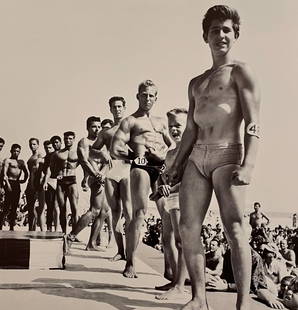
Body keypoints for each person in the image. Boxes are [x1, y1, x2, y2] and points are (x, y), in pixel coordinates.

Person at [167, 5, 261, 310]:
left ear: (235, 35)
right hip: (197, 156)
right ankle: (198, 299)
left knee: (234, 228)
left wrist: (248, 165)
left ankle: (243, 302)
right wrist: (176, 166)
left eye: (226, 30)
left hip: (228, 155)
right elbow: (190, 130)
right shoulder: (196, 82)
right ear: (205, 36)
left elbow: (254, 123)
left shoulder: (241, 72)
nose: (220, 35)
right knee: (188, 227)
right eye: (214, 30)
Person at [111, 79, 172, 278]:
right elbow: (115, 148)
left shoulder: (162, 122)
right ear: (137, 96)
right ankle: (130, 263)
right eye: (144, 94)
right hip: (141, 167)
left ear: (156, 98)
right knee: (139, 214)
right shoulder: (131, 121)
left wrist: (165, 158)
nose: (148, 98)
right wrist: (134, 156)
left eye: (151, 95)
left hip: (160, 169)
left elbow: (173, 146)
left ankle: (169, 268)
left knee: (168, 216)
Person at [154, 108, 189, 300]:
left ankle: (180, 285)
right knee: (168, 240)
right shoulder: (170, 153)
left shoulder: (191, 151)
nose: (174, 130)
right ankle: (176, 279)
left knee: (181, 241)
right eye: (171, 126)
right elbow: (164, 179)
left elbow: (193, 180)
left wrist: (172, 187)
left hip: (185, 198)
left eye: (178, 126)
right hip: (170, 199)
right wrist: (162, 187)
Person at [92, 97, 132, 261]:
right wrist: (102, 153)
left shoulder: (132, 126)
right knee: (114, 213)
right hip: (112, 170)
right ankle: (121, 252)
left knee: (129, 213)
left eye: (119, 106)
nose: (117, 109)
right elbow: (91, 151)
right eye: (114, 107)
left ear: (124, 107)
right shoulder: (106, 132)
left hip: (128, 168)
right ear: (110, 109)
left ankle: (130, 256)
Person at [64, 117, 110, 252]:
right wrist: (96, 175)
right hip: (94, 177)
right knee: (94, 210)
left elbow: (108, 161)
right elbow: (84, 161)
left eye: (98, 127)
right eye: (93, 127)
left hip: (103, 176)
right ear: (88, 128)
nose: (97, 129)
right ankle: (70, 237)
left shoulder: (103, 142)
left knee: (104, 212)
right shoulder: (84, 142)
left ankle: (91, 243)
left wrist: (102, 173)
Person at [51, 131, 80, 233]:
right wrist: (56, 175)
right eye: (66, 139)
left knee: (75, 209)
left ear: (74, 139)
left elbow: (84, 165)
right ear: (63, 139)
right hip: (61, 182)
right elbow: (52, 169)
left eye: (70, 138)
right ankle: (64, 233)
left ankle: (74, 234)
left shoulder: (78, 152)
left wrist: (85, 179)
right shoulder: (57, 153)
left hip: (72, 180)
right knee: (62, 209)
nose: (68, 140)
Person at [0, 144, 28, 230]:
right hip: (9, 183)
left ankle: (12, 225)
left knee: (15, 206)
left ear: (19, 152)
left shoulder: (21, 162)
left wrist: (23, 180)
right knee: (6, 206)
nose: (16, 153)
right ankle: (0, 224)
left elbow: (26, 173)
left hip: (16, 184)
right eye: (14, 151)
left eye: (18, 151)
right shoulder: (8, 161)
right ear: (11, 151)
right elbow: (4, 174)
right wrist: (7, 184)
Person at [25, 138, 46, 231]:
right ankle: (31, 228)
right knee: (30, 207)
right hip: (30, 182)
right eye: (30, 144)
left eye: (34, 144)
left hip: (37, 183)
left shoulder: (40, 155)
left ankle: (42, 229)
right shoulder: (30, 157)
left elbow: (40, 169)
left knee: (40, 208)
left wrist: (38, 184)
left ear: (38, 145)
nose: (32, 146)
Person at [42, 140, 59, 231]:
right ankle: (49, 228)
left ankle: (57, 228)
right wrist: (44, 181)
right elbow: (46, 171)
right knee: (49, 206)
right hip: (49, 181)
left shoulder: (57, 155)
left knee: (57, 207)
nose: (47, 150)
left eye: (49, 148)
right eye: (46, 148)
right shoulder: (45, 158)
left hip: (58, 181)